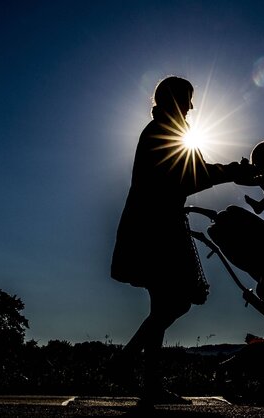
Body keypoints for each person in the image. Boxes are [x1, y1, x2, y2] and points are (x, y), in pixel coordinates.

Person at [109, 76, 256, 407]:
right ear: (175, 100)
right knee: (174, 302)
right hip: (156, 231)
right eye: (188, 99)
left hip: (151, 226)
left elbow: (193, 172)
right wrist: (234, 171)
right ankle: (132, 367)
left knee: (165, 304)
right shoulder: (164, 133)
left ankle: (141, 376)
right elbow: (193, 175)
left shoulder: (163, 131)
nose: (192, 106)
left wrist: (231, 172)